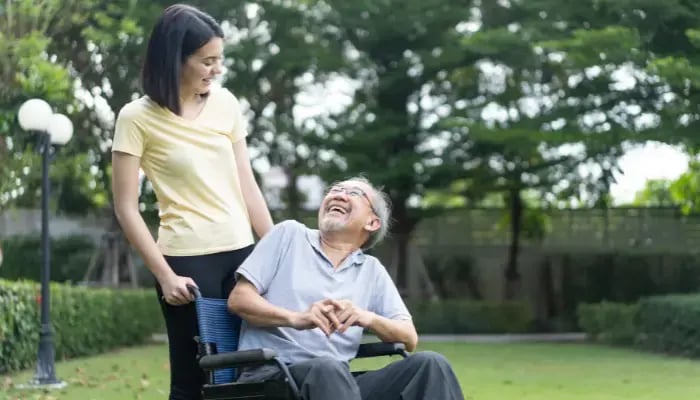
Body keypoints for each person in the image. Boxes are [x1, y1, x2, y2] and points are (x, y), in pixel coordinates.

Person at [110, 4, 273, 399]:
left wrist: (276, 251)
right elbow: (126, 207)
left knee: (254, 375)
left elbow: (246, 183)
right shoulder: (136, 118)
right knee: (194, 380)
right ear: (175, 59)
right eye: (207, 60)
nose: (216, 69)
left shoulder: (226, 104)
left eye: (220, 59)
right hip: (187, 263)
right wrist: (165, 275)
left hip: (243, 256)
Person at [228, 177, 465, 400]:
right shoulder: (289, 235)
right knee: (326, 367)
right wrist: (297, 318)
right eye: (334, 190)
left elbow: (408, 337)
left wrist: (366, 318)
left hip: (335, 382)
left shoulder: (371, 270)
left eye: (354, 193)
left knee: (430, 364)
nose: (339, 195)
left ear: (372, 222)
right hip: (270, 377)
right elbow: (239, 299)